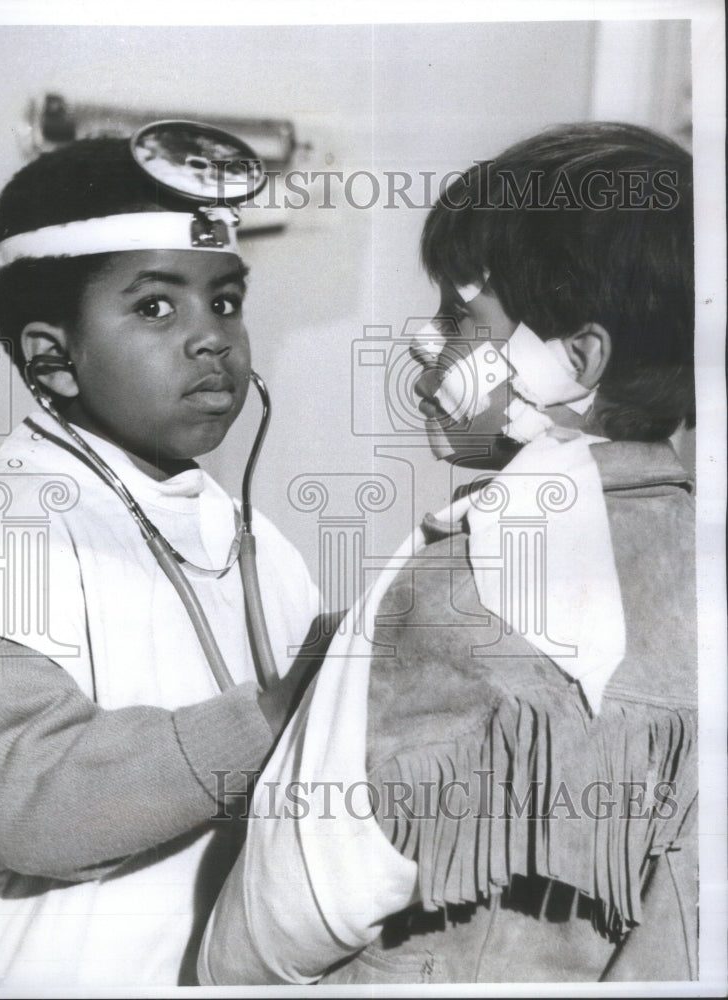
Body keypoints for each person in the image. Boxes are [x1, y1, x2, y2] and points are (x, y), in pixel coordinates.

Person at [197, 122, 697, 985]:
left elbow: (292, 907)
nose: (423, 343)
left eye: (460, 316)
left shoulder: (464, 578)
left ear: (577, 360)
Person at [0, 130, 321, 987]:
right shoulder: (13, 527)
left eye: (225, 301)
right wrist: (267, 716)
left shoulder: (256, 539)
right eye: (156, 307)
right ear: (54, 357)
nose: (212, 341)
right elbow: (30, 807)